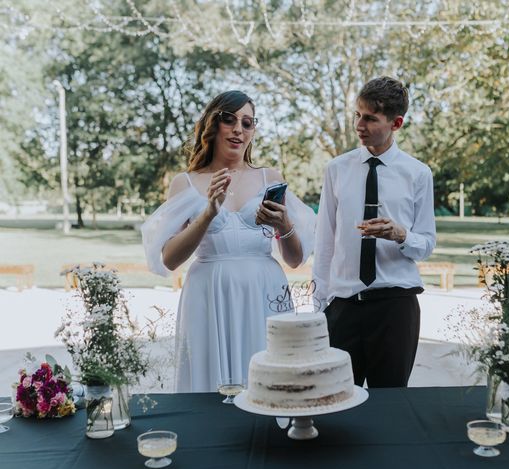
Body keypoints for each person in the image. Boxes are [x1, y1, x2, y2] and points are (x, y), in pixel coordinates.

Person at [141, 91, 315, 392]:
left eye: (247, 123)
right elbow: (169, 259)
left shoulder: (269, 178)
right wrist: (208, 213)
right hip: (209, 293)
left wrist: (283, 223)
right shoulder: (186, 182)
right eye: (229, 120)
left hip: (264, 290)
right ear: (213, 123)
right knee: (210, 382)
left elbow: (295, 259)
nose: (238, 130)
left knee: (269, 380)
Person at [313, 77, 436, 388]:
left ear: (396, 123)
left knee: (390, 405)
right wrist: (321, 305)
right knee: (336, 400)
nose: (359, 125)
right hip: (342, 308)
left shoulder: (418, 174)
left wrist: (401, 235)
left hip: (395, 308)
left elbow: (427, 244)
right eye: (357, 115)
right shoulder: (336, 169)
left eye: (370, 118)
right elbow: (325, 240)